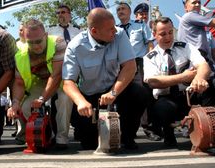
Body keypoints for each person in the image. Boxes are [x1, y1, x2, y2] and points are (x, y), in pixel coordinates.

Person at [62, 8, 149, 150]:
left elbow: (130, 67)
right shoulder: (75, 46)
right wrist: (80, 102)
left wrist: (113, 93)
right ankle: (86, 131)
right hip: (89, 98)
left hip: (115, 90)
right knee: (89, 144)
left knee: (140, 93)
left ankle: (127, 136)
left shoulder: (119, 35)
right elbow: (68, 82)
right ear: (94, 31)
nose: (115, 31)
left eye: (114, 27)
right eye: (110, 29)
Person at [144, 17, 215, 147]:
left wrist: (199, 78)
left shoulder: (186, 47)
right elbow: (153, 82)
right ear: (154, 35)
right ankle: (168, 132)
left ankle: (208, 129)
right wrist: (183, 77)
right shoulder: (150, 57)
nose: (168, 37)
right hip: (167, 98)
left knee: (208, 86)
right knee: (162, 108)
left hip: (189, 94)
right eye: (163, 34)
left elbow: (204, 65)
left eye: (170, 32)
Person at [7, 18, 72, 148]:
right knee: (26, 106)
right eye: (31, 42)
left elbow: (56, 75)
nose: (36, 46)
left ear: (46, 35)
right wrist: (15, 103)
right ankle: (46, 134)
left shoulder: (58, 42)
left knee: (65, 98)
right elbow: (19, 82)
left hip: (59, 80)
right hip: (39, 81)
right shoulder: (20, 54)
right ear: (25, 39)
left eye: (39, 41)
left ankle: (61, 138)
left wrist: (42, 98)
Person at [117, 2, 158, 141]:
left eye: (123, 9)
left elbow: (150, 44)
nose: (120, 11)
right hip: (120, 65)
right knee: (122, 97)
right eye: (118, 9)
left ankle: (148, 128)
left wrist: (150, 63)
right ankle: (125, 131)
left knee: (143, 95)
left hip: (138, 63)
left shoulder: (140, 25)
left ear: (129, 12)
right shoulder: (114, 29)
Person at [47, 4, 82, 141]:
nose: (60, 14)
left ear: (70, 15)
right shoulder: (50, 31)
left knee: (73, 101)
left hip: (75, 72)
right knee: (58, 103)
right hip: (56, 71)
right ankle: (56, 135)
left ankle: (78, 130)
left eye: (63, 12)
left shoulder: (78, 31)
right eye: (58, 12)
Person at [177, 0, 215, 69]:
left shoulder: (187, 18)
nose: (197, 5)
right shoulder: (190, 15)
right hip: (196, 59)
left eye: (199, 2)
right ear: (186, 7)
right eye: (194, 3)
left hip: (194, 60)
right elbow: (213, 22)